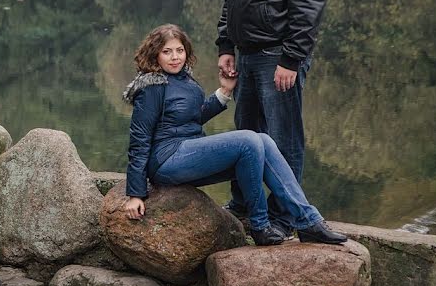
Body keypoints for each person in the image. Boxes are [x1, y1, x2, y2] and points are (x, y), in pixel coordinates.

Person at [123, 24, 345, 246]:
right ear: (155, 54)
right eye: (167, 52)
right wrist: (135, 193)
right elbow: (139, 140)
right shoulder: (151, 86)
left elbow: (192, 117)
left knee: (264, 141)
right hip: (166, 159)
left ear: (187, 51)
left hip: (188, 154)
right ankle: (260, 225)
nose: (175, 57)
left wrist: (225, 91)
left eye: (179, 50)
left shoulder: (185, 80)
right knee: (248, 140)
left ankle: (308, 221)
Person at [216, 0, 327, 237]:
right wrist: (226, 45)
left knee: (284, 141)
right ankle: (245, 205)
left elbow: (307, 9)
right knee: (245, 135)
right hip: (246, 55)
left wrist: (291, 60)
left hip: (278, 58)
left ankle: (285, 216)